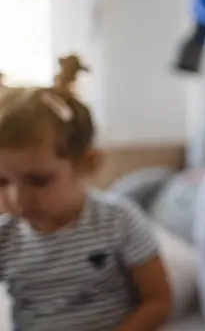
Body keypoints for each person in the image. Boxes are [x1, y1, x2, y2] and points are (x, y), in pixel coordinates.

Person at [0, 58, 172, 330]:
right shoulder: (5, 235)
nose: (17, 199)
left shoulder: (118, 219)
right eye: (0, 182)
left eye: (38, 180)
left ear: (86, 164)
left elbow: (158, 301)